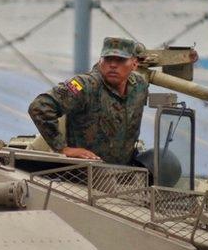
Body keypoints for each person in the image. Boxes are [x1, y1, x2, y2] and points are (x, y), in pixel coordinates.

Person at [28, 36, 148, 165]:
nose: (113, 65)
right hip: (86, 172)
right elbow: (39, 107)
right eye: (108, 59)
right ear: (100, 60)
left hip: (125, 171)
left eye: (120, 60)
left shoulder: (139, 86)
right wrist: (63, 148)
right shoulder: (84, 85)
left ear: (134, 64)